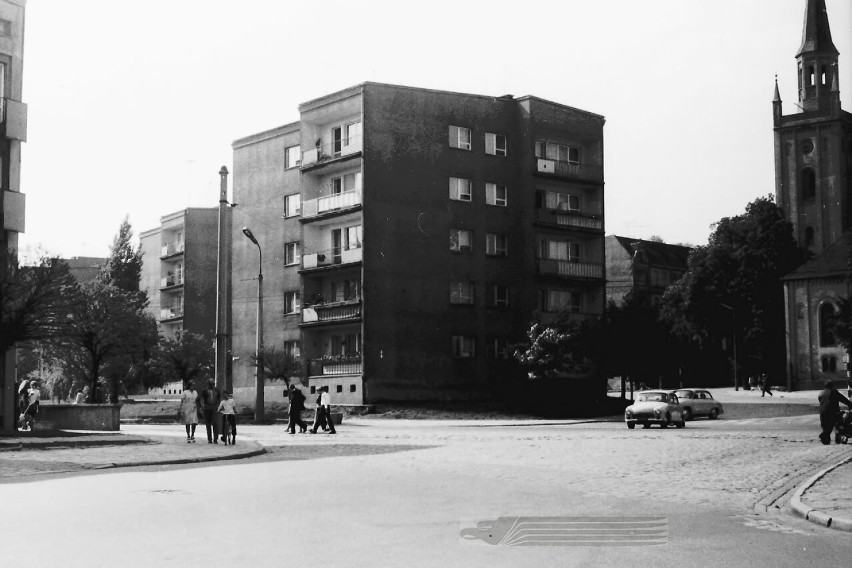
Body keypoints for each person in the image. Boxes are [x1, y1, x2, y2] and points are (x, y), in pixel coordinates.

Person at [818, 380, 852, 445]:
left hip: (822, 413)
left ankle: (826, 439)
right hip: (833, 413)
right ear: (832, 386)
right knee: (838, 425)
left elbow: (820, 401)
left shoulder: (821, 393)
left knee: (826, 429)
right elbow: (843, 399)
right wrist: (850, 404)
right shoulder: (834, 392)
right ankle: (837, 437)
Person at [201, 378, 222, 444]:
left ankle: (215, 438)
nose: (211, 385)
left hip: (214, 408)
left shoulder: (216, 390)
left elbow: (219, 398)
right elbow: (202, 398)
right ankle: (209, 439)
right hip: (207, 408)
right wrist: (203, 406)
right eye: (210, 384)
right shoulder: (205, 390)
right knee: (208, 424)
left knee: (215, 423)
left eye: (212, 384)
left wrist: (218, 405)